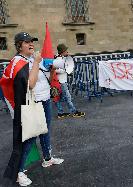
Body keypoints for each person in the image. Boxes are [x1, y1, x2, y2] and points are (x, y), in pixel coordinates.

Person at [0, 32, 63, 186]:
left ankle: (47, 159)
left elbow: (43, 79)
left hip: (44, 100)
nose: (31, 44)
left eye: (32, 41)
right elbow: (31, 84)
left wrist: (52, 72)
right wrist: (36, 62)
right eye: (27, 42)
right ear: (19, 45)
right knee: (29, 138)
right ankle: (18, 172)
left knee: (45, 131)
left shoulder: (33, 60)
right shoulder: (19, 62)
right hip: (31, 105)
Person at [53, 43, 85, 119]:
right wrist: (65, 70)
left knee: (59, 98)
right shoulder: (57, 59)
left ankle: (60, 113)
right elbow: (55, 70)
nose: (67, 52)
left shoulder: (63, 58)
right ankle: (73, 111)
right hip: (61, 82)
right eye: (66, 51)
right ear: (62, 51)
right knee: (68, 97)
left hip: (63, 81)